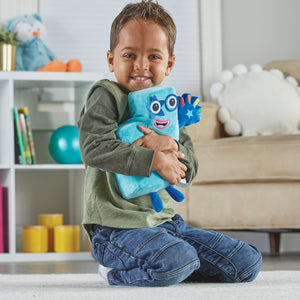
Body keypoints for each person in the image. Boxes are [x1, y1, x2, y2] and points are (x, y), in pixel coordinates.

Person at [77, 0, 262, 287]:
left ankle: (174, 265)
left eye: (153, 56)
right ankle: (116, 272)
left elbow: (191, 168)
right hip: (116, 229)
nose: (141, 65)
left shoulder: (169, 106)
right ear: (112, 59)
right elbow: (94, 148)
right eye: (129, 55)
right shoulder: (106, 95)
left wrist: (169, 143)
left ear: (169, 63)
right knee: (178, 259)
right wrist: (153, 159)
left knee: (247, 262)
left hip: (166, 225)